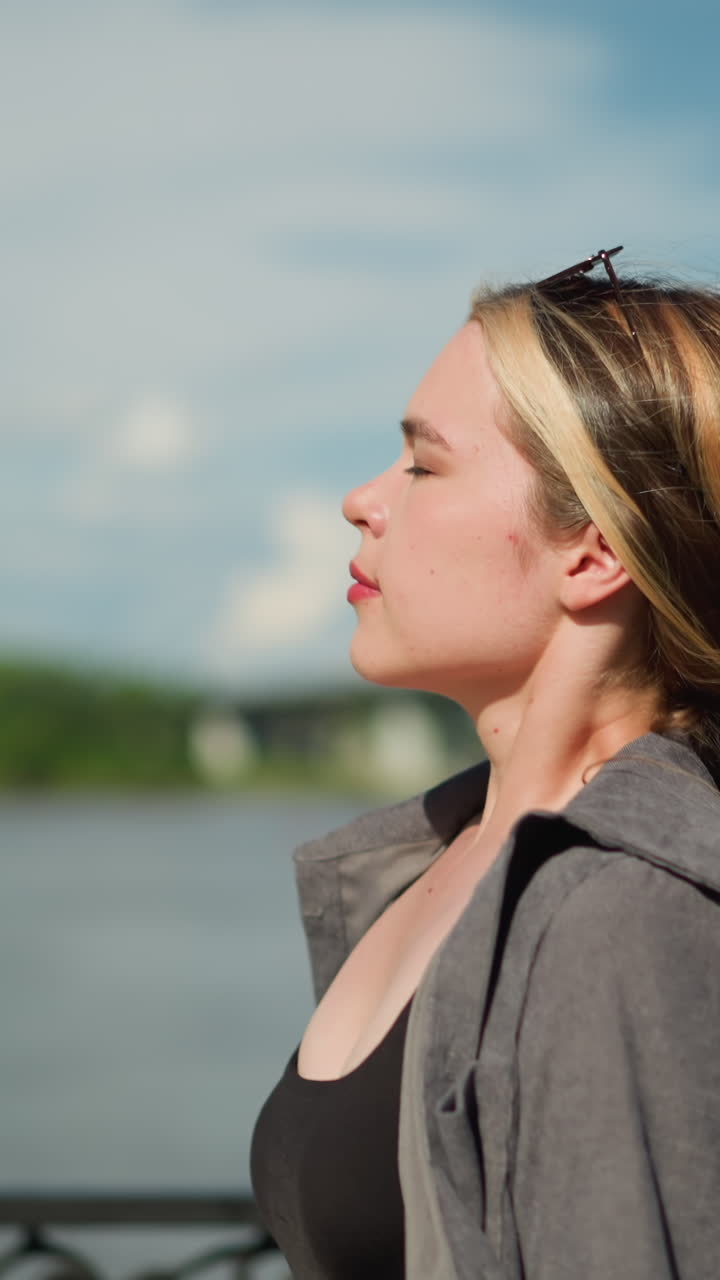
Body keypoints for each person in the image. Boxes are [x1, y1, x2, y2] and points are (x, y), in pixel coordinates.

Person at [250, 248, 720, 1279]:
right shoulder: (432, 859)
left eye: (424, 464)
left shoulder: (624, 913)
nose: (360, 499)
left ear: (592, 551)